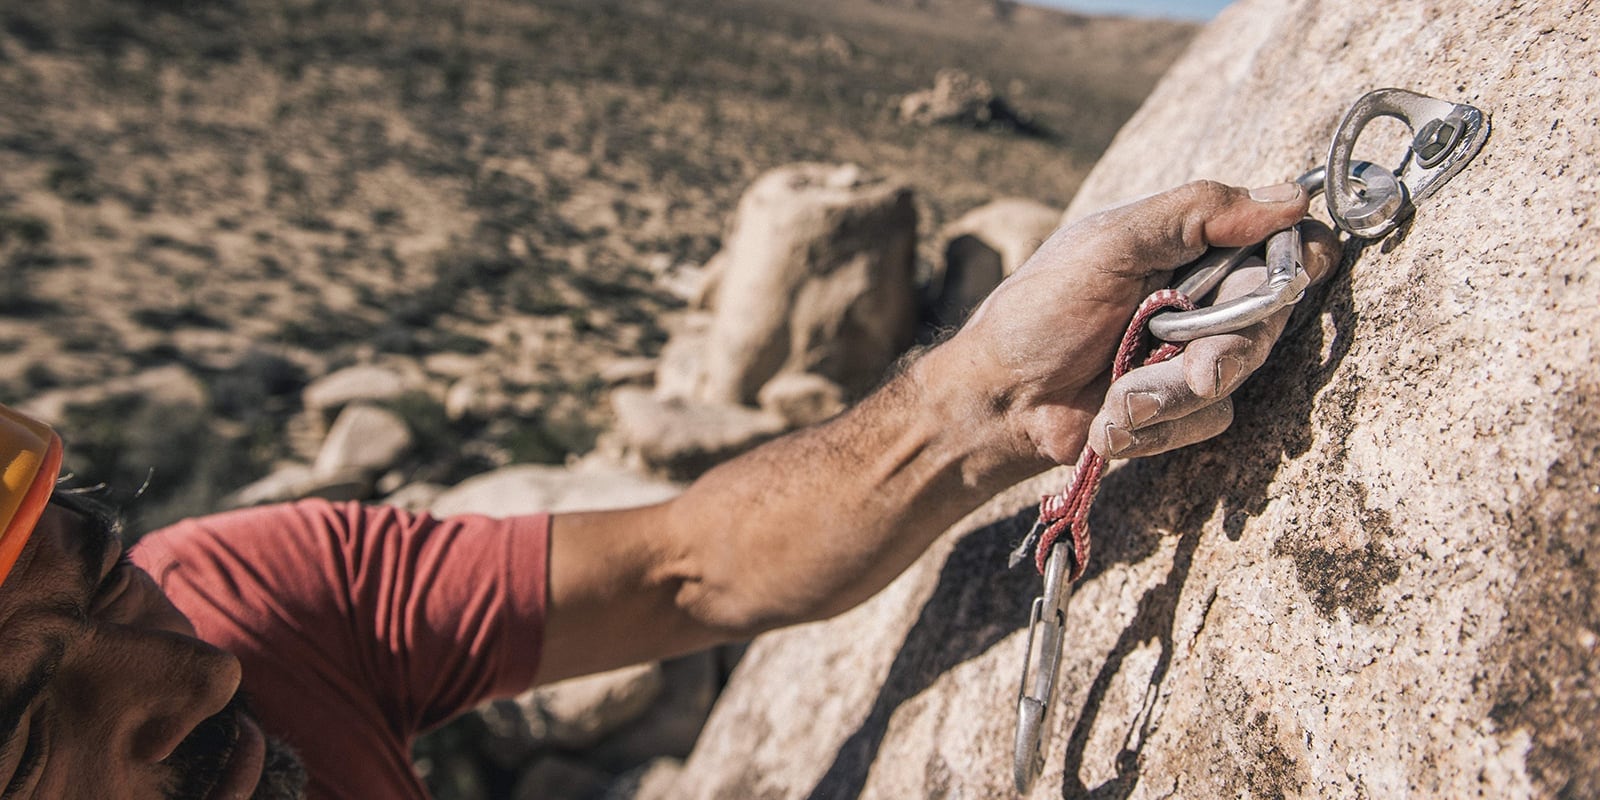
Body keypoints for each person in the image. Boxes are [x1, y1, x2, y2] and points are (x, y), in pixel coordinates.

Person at [0, 180, 1337, 799]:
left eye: (107, 577)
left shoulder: (252, 598)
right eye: (22, 734)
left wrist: (989, 391)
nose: (195, 683)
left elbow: (680, 568)